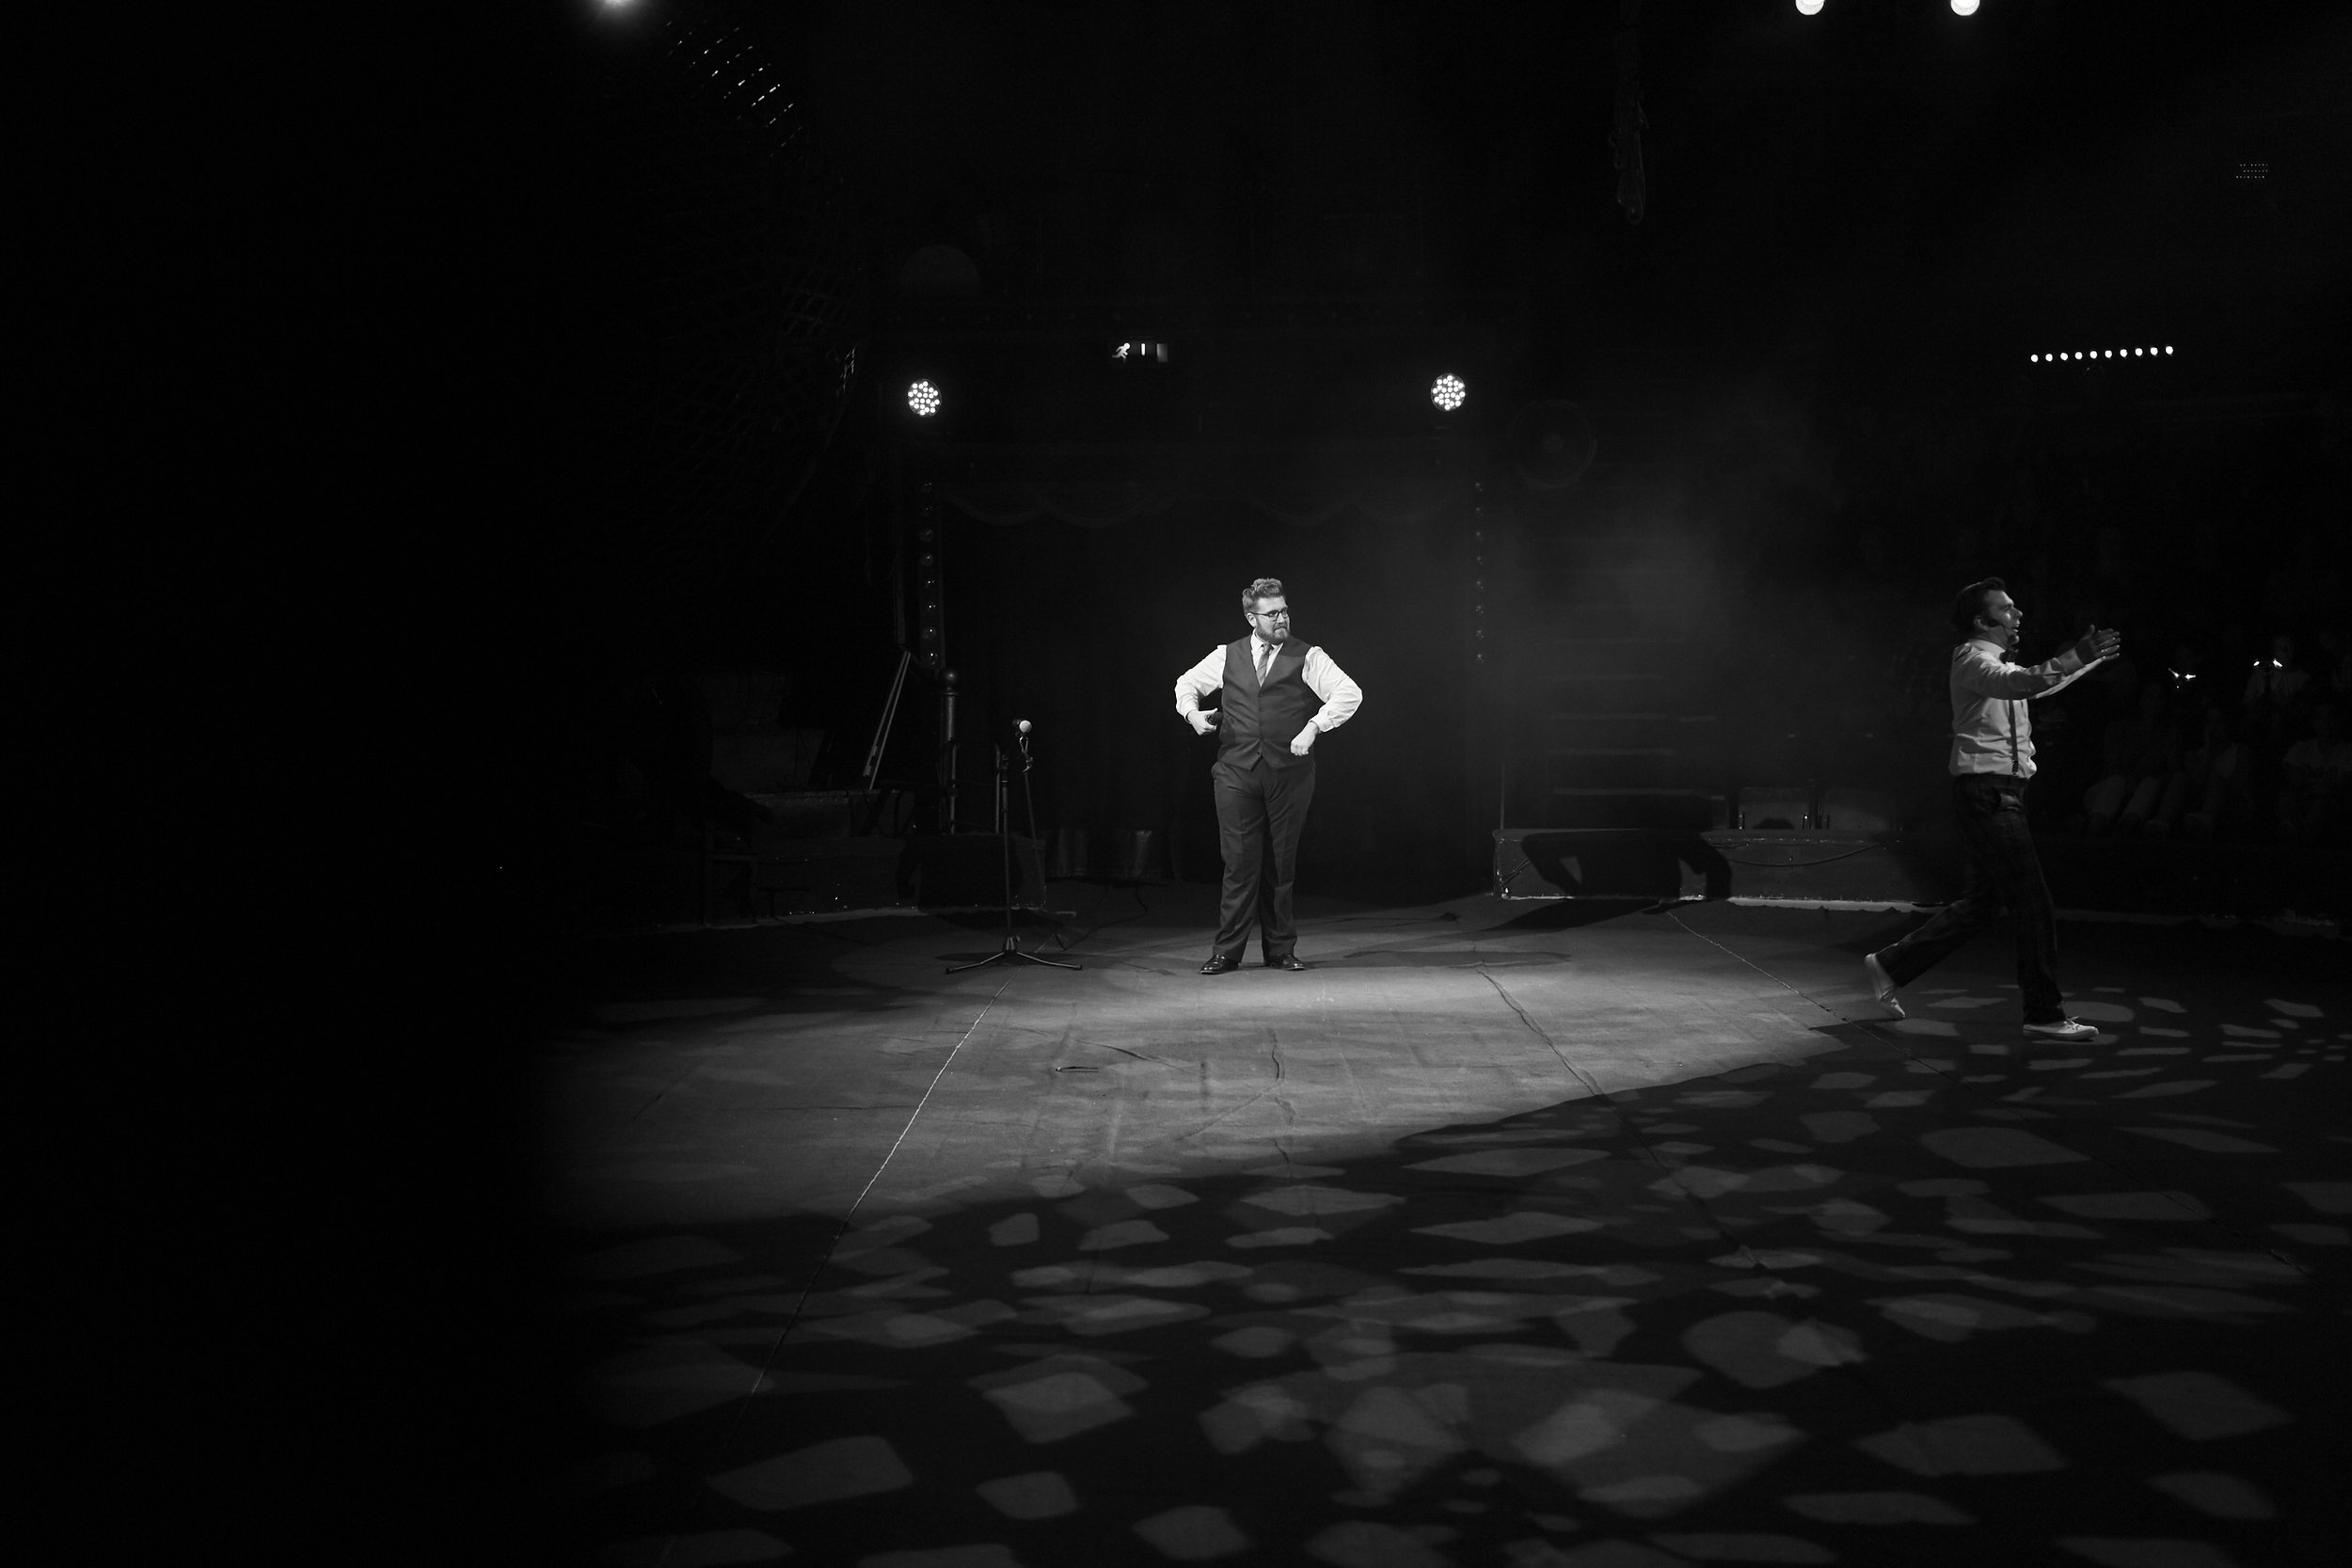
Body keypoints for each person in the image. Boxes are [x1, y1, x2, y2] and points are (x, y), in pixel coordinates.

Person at [1862, 578, 2121, 1040]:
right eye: (2007, 609)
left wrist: (2085, 660)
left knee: (1982, 904)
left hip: (1998, 794)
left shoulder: (1999, 667)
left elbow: (2032, 686)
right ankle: (2043, 1013)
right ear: (1982, 622)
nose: (2017, 615)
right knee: (2033, 902)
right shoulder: (1971, 661)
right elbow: (2020, 683)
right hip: (1989, 796)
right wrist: (2077, 656)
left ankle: (1891, 964)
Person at [1173, 578, 1363, 974]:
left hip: (1288, 774)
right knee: (1239, 864)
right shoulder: (1227, 654)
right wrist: (1192, 714)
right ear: (1251, 618)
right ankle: (1227, 951)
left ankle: (1280, 950)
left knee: (1280, 864)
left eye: (1284, 611)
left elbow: (1349, 692)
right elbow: (1186, 683)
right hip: (1236, 772)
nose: (1281, 619)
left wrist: (1314, 727)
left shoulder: (1307, 655)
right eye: (1272, 613)